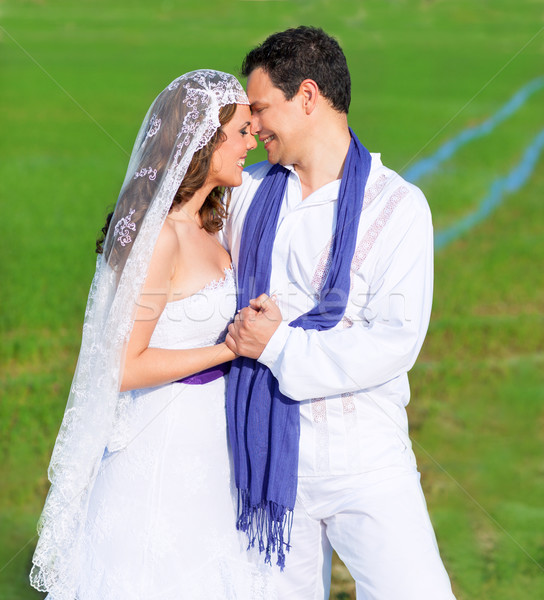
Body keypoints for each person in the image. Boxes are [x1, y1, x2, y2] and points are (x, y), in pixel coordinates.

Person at [223, 27, 457, 599]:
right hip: (268, 464)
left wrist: (278, 346)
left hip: (366, 460)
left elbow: (394, 341)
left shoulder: (398, 205)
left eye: (260, 109)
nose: (252, 128)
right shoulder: (246, 194)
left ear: (307, 97)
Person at [30, 70, 276, 599]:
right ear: (204, 142)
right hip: (163, 442)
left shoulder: (211, 225)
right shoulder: (161, 238)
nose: (250, 141)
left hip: (212, 445)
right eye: (239, 133)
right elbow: (123, 366)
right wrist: (226, 349)